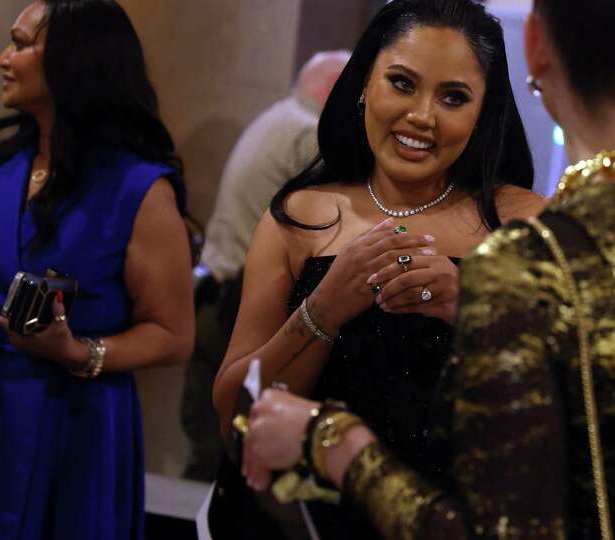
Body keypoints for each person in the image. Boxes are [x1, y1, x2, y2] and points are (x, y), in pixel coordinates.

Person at [240, 0, 615, 538]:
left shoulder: (534, 262)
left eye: (454, 96)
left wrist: (333, 439)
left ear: (535, 45)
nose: (422, 115)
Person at [210, 0, 544, 537]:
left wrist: (473, 312)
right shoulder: (298, 217)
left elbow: (561, 409)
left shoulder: (523, 225)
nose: (421, 116)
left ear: (483, 112)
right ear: (365, 83)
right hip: (295, 522)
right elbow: (234, 418)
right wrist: (322, 309)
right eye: (402, 83)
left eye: (453, 97)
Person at [0, 1, 194, 538]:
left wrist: (78, 352)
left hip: (72, 424)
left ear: (73, 60)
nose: (3, 58)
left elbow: (175, 335)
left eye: (19, 44)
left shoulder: (138, 189)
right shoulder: (3, 166)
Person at [181, 51, 350, 482]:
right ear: (334, 89)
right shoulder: (307, 135)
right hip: (239, 306)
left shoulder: (275, 117)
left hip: (210, 292)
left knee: (206, 449)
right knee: (233, 458)